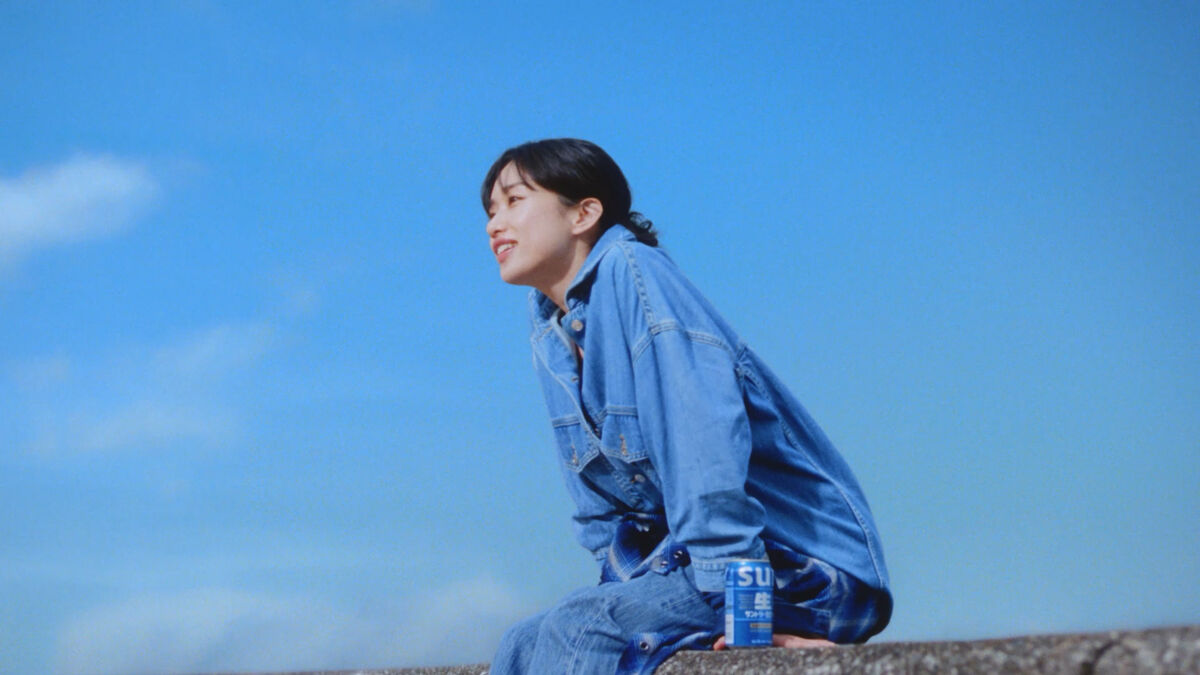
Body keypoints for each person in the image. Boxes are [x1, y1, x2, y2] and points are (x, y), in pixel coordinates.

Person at [482, 138, 892, 674]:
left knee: (581, 628)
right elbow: (602, 515)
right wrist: (627, 595)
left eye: (514, 201)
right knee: (522, 642)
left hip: (796, 567)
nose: (494, 225)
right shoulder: (549, 332)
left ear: (584, 213)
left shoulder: (634, 272)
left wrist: (747, 623)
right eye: (491, 211)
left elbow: (705, 452)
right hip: (688, 566)